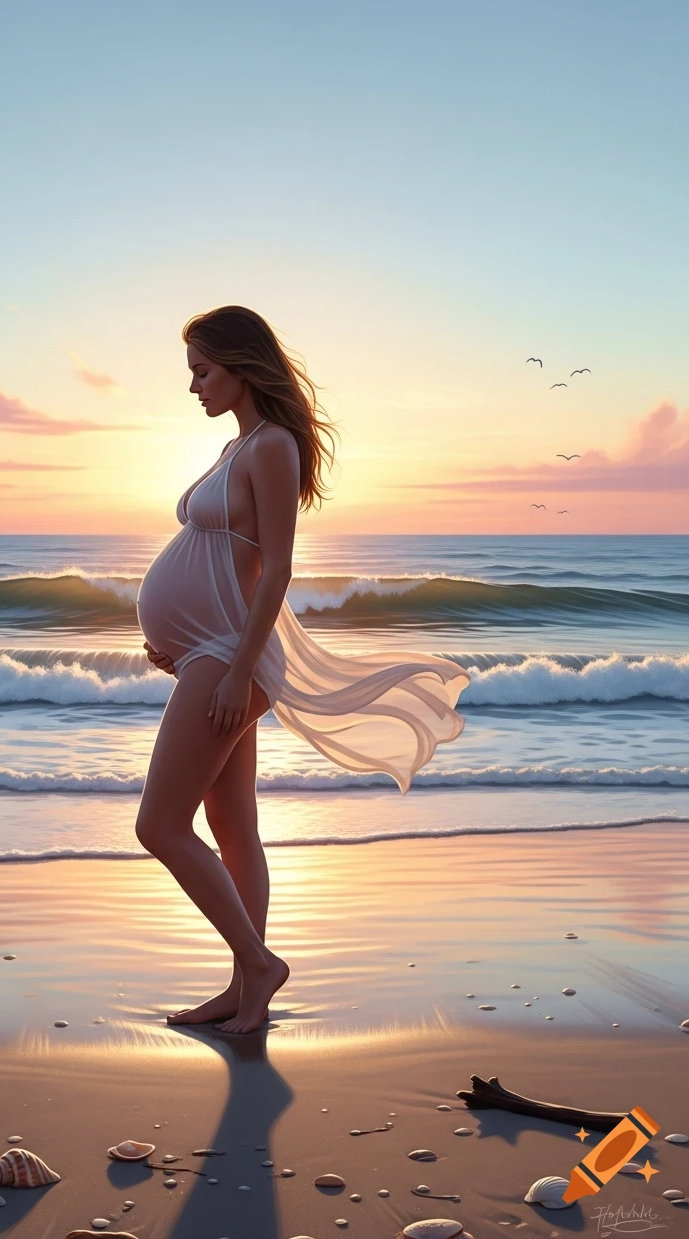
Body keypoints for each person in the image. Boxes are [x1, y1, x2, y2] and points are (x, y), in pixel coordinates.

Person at [135, 305, 469, 1034]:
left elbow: (279, 569)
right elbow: (221, 568)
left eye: (202, 371)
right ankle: (243, 988)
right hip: (209, 652)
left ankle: (258, 965)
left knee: (159, 826)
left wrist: (232, 669)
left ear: (242, 366)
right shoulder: (237, 448)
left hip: (230, 658)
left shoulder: (272, 447)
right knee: (230, 824)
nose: (192, 386)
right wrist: (176, 639)